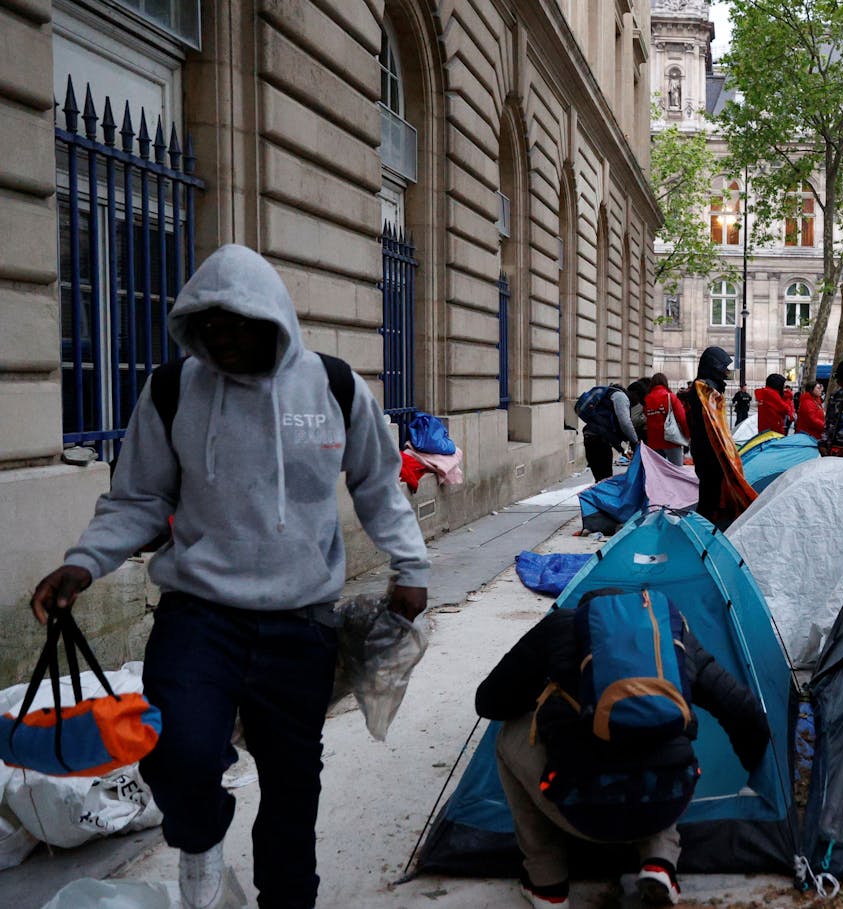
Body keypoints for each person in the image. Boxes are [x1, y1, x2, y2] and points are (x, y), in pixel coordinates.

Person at [29, 245, 430, 909]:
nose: (224, 338)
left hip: (301, 623)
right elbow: (136, 499)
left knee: (292, 783)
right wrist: (83, 562)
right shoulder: (172, 389)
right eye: (210, 326)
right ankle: (201, 842)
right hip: (199, 614)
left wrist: (410, 565)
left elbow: (379, 486)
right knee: (178, 753)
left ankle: (288, 898)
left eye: (238, 323)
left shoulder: (332, 386)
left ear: (271, 319)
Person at [476, 600, 769, 909]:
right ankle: (660, 863)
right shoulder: (670, 633)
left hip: (580, 810)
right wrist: (757, 776)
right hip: (664, 804)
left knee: (508, 735)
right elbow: (744, 711)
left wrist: (548, 693)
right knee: (662, 738)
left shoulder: (560, 626)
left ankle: (547, 885)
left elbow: (489, 703)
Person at [679, 347, 756, 526]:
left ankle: (706, 525)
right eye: (724, 367)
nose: (727, 372)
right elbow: (712, 426)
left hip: (708, 448)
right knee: (709, 493)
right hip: (710, 450)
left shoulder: (707, 386)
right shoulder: (704, 387)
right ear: (714, 366)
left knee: (712, 491)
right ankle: (704, 528)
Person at [579, 384, 637, 482]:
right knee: (605, 480)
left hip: (590, 438)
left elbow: (608, 432)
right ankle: (600, 497)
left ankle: (599, 496)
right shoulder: (620, 397)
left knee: (600, 479)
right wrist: (635, 440)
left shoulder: (608, 397)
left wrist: (623, 450)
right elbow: (625, 423)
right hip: (599, 442)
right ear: (635, 395)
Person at [643, 373, 689, 466]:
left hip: (654, 440)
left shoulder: (647, 398)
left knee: (659, 472)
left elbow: (646, 414)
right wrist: (687, 435)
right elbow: (682, 418)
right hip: (671, 440)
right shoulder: (670, 396)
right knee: (677, 470)